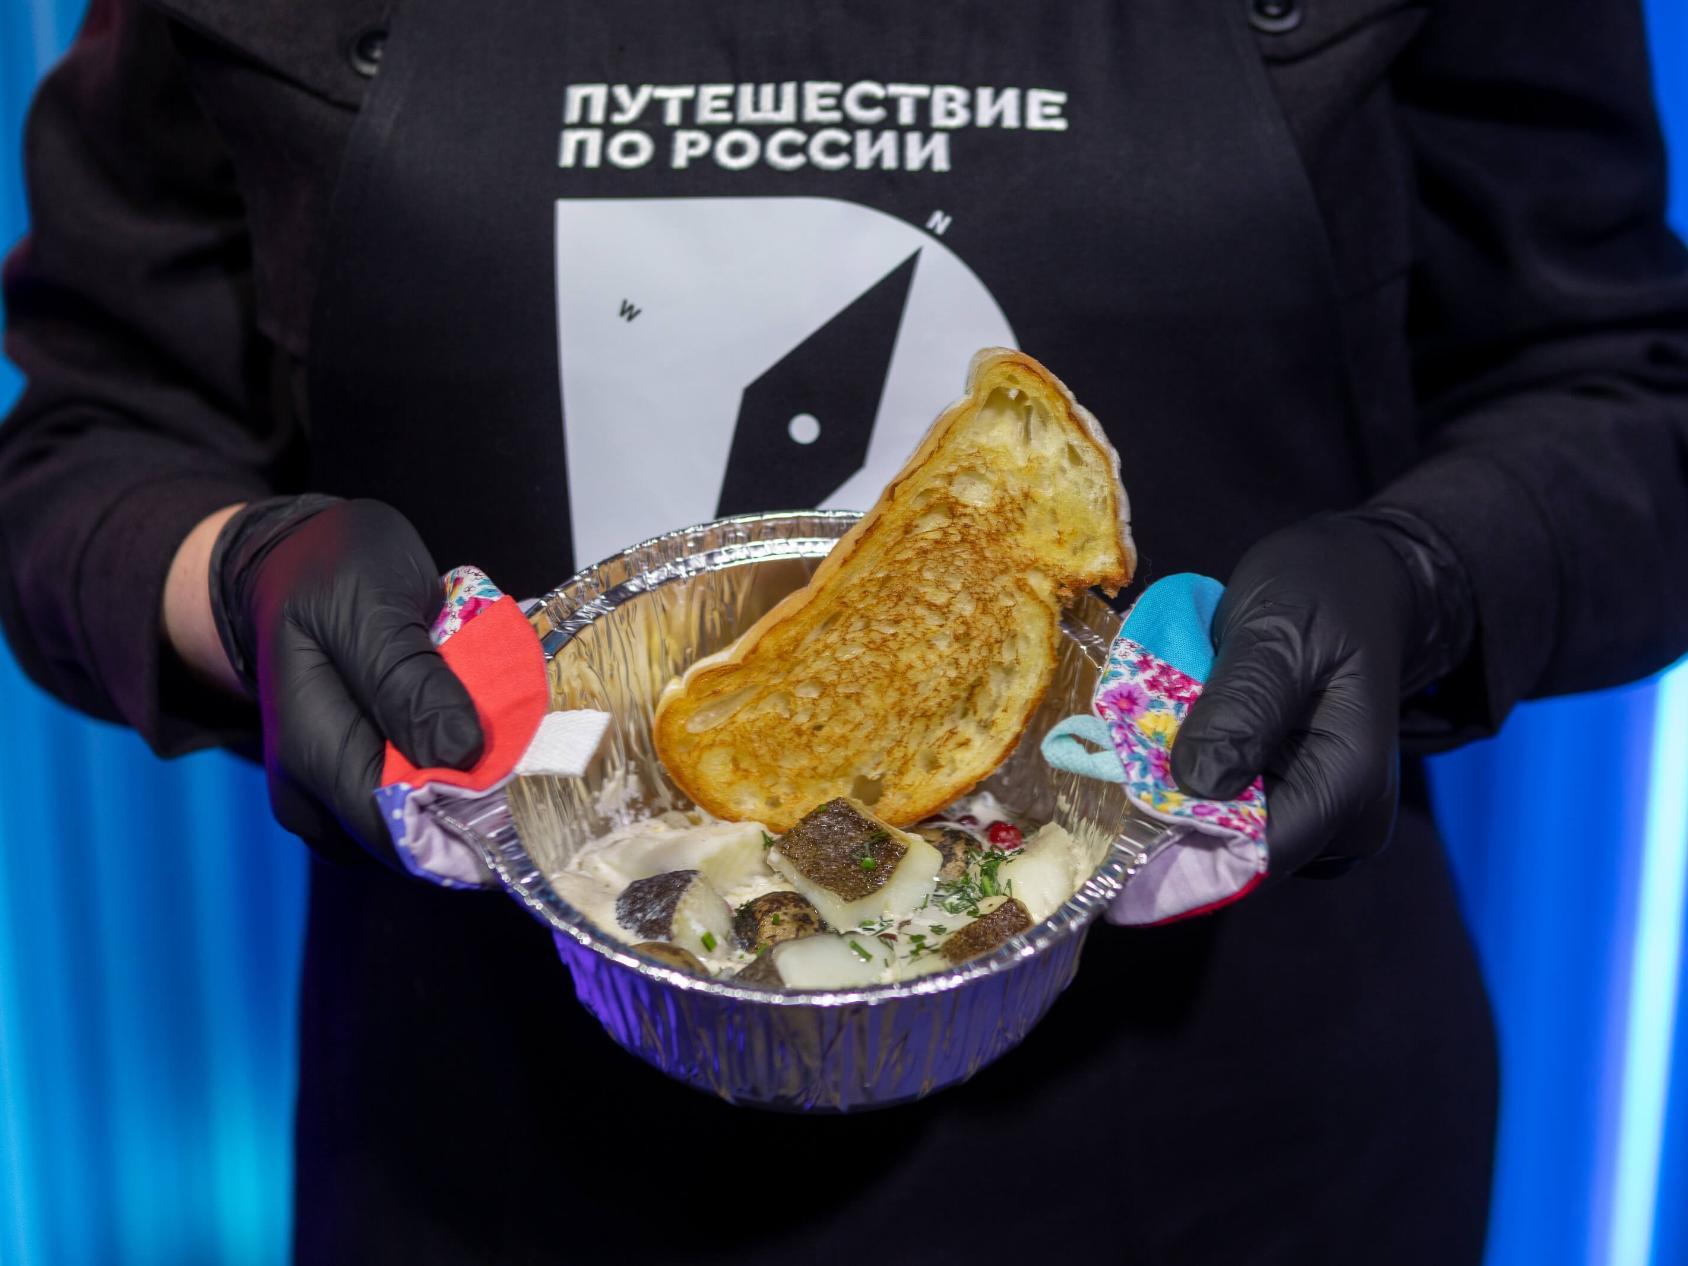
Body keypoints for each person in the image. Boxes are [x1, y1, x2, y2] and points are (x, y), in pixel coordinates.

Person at [3, 0, 1686, 1261]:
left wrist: (1425, 577)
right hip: (496, 1157)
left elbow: (1619, 397)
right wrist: (237, 575)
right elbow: (91, 441)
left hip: (1234, 1150)